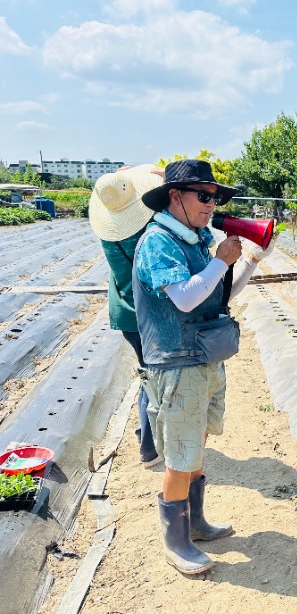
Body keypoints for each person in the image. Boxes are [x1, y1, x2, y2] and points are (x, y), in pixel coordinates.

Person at [133, 159, 275, 575]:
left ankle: (195, 523)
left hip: (203, 358)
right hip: (177, 363)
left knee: (196, 445)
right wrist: (221, 261)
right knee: (180, 456)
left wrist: (249, 261)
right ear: (174, 196)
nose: (211, 204)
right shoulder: (158, 241)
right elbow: (185, 298)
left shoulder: (194, 239)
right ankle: (175, 542)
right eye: (204, 196)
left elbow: (217, 295)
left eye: (214, 197)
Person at [88, 164, 165, 468]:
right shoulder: (150, 228)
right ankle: (149, 448)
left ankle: (144, 434)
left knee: (147, 375)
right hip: (151, 315)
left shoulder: (110, 234)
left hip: (126, 313)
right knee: (155, 379)